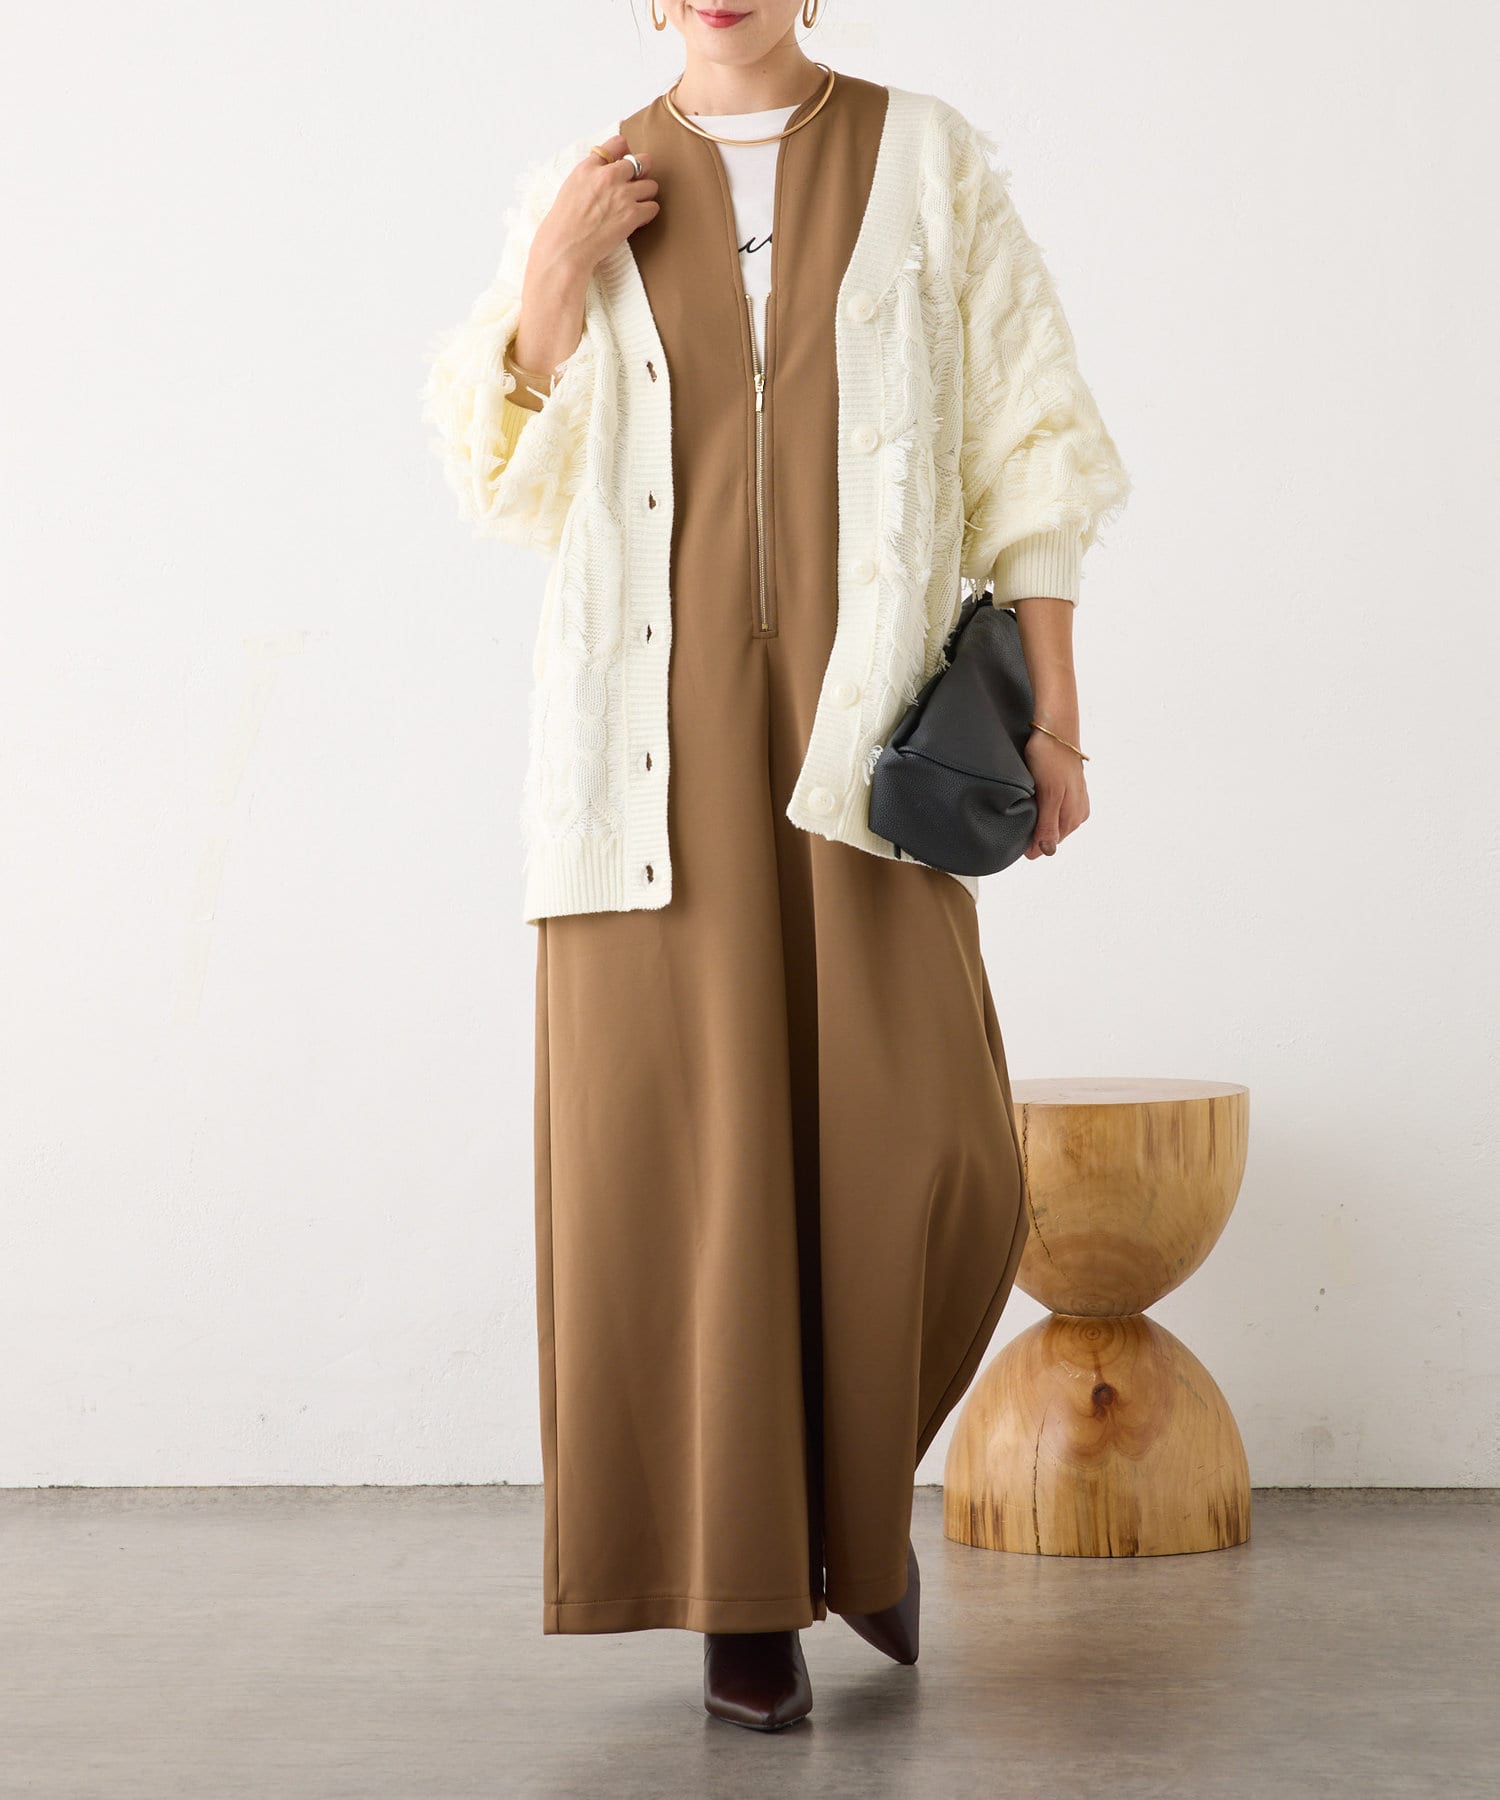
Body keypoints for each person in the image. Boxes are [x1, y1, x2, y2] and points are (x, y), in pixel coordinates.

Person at [422, 0, 1130, 1734]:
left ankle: (852, 1515)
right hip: (642, 751)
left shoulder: (928, 159)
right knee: (693, 1170)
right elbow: (503, 482)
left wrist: (1054, 715)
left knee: (924, 1138)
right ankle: (745, 1595)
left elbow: (1031, 442)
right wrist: (552, 280)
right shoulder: (590, 176)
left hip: (861, 738)